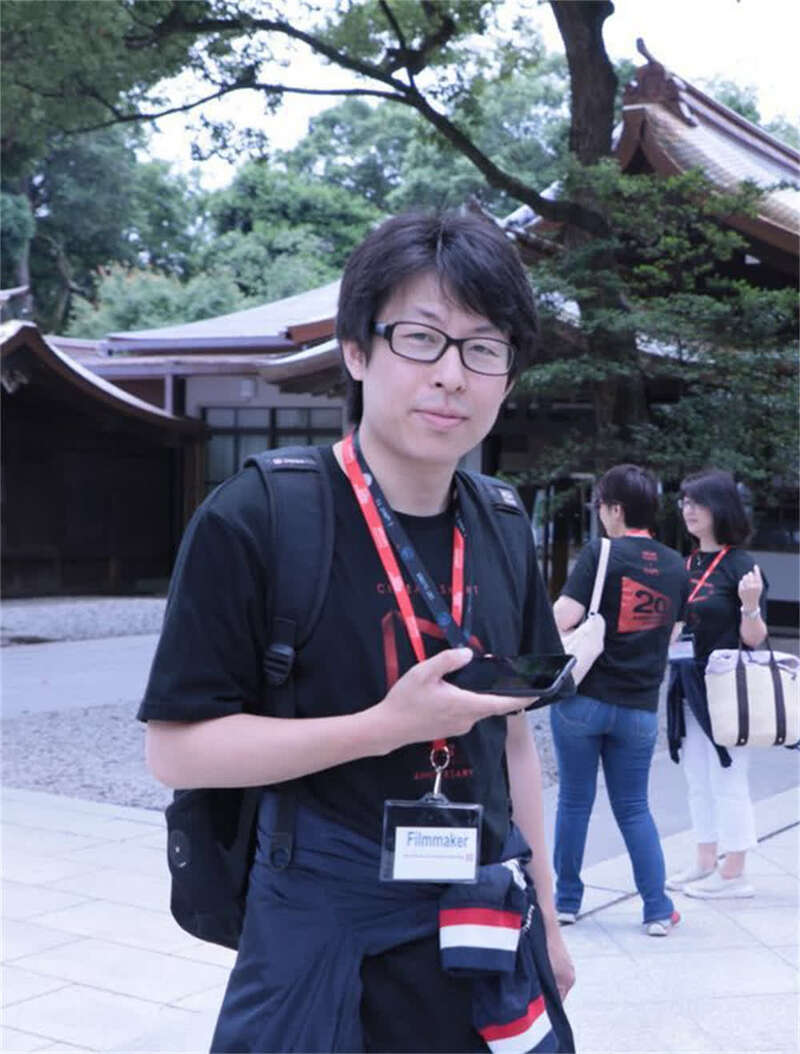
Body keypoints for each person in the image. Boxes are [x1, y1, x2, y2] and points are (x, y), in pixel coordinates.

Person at [138, 210, 576, 1053]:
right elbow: (178, 751)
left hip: (478, 910)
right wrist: (386, 728)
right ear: (356, 350)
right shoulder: (259, 515)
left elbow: (514, 738)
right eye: (422, 338)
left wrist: (549, 919)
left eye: (484, 349)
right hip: (319, 914)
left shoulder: (502, 523)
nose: (451, 375)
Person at [550, 464, 689, 936]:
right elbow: (671, 636)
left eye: (600, 506)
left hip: (584, 700)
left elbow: (564, 617)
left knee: (574, 801)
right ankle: (657, 909)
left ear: (614, 509)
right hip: (639, 708)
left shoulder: (601, 552)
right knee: (633, 807)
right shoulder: (676, 565)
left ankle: (566, 902)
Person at [665, 468, 768, 899]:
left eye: (698, 502)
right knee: (697, 777)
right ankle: (705, 859)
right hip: (686, 685)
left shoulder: (741, 566)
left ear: (720, 508)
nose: (688, 510)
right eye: (685, 502)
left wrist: (750, 605)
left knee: (729, 776)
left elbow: (755, 638)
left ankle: (735, 872)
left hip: (727, 689)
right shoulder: (684, 564)